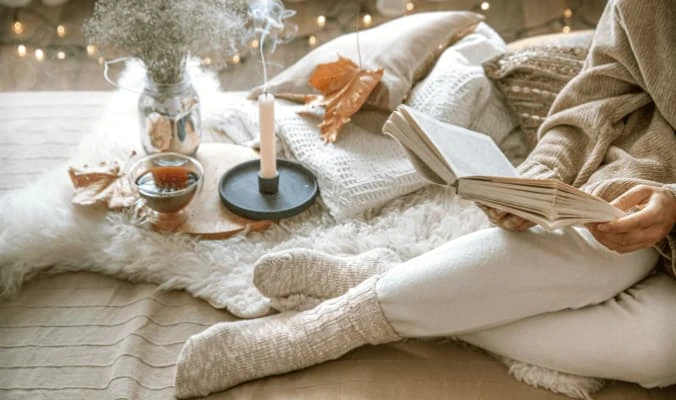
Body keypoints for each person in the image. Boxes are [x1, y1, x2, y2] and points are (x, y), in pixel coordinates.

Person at [174, 1, 676, 398]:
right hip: (634, 186)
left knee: (661, 352)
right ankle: (326, 330)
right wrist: (538, 177)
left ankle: (379, 278)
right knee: (597, 258)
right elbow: (594, 98)